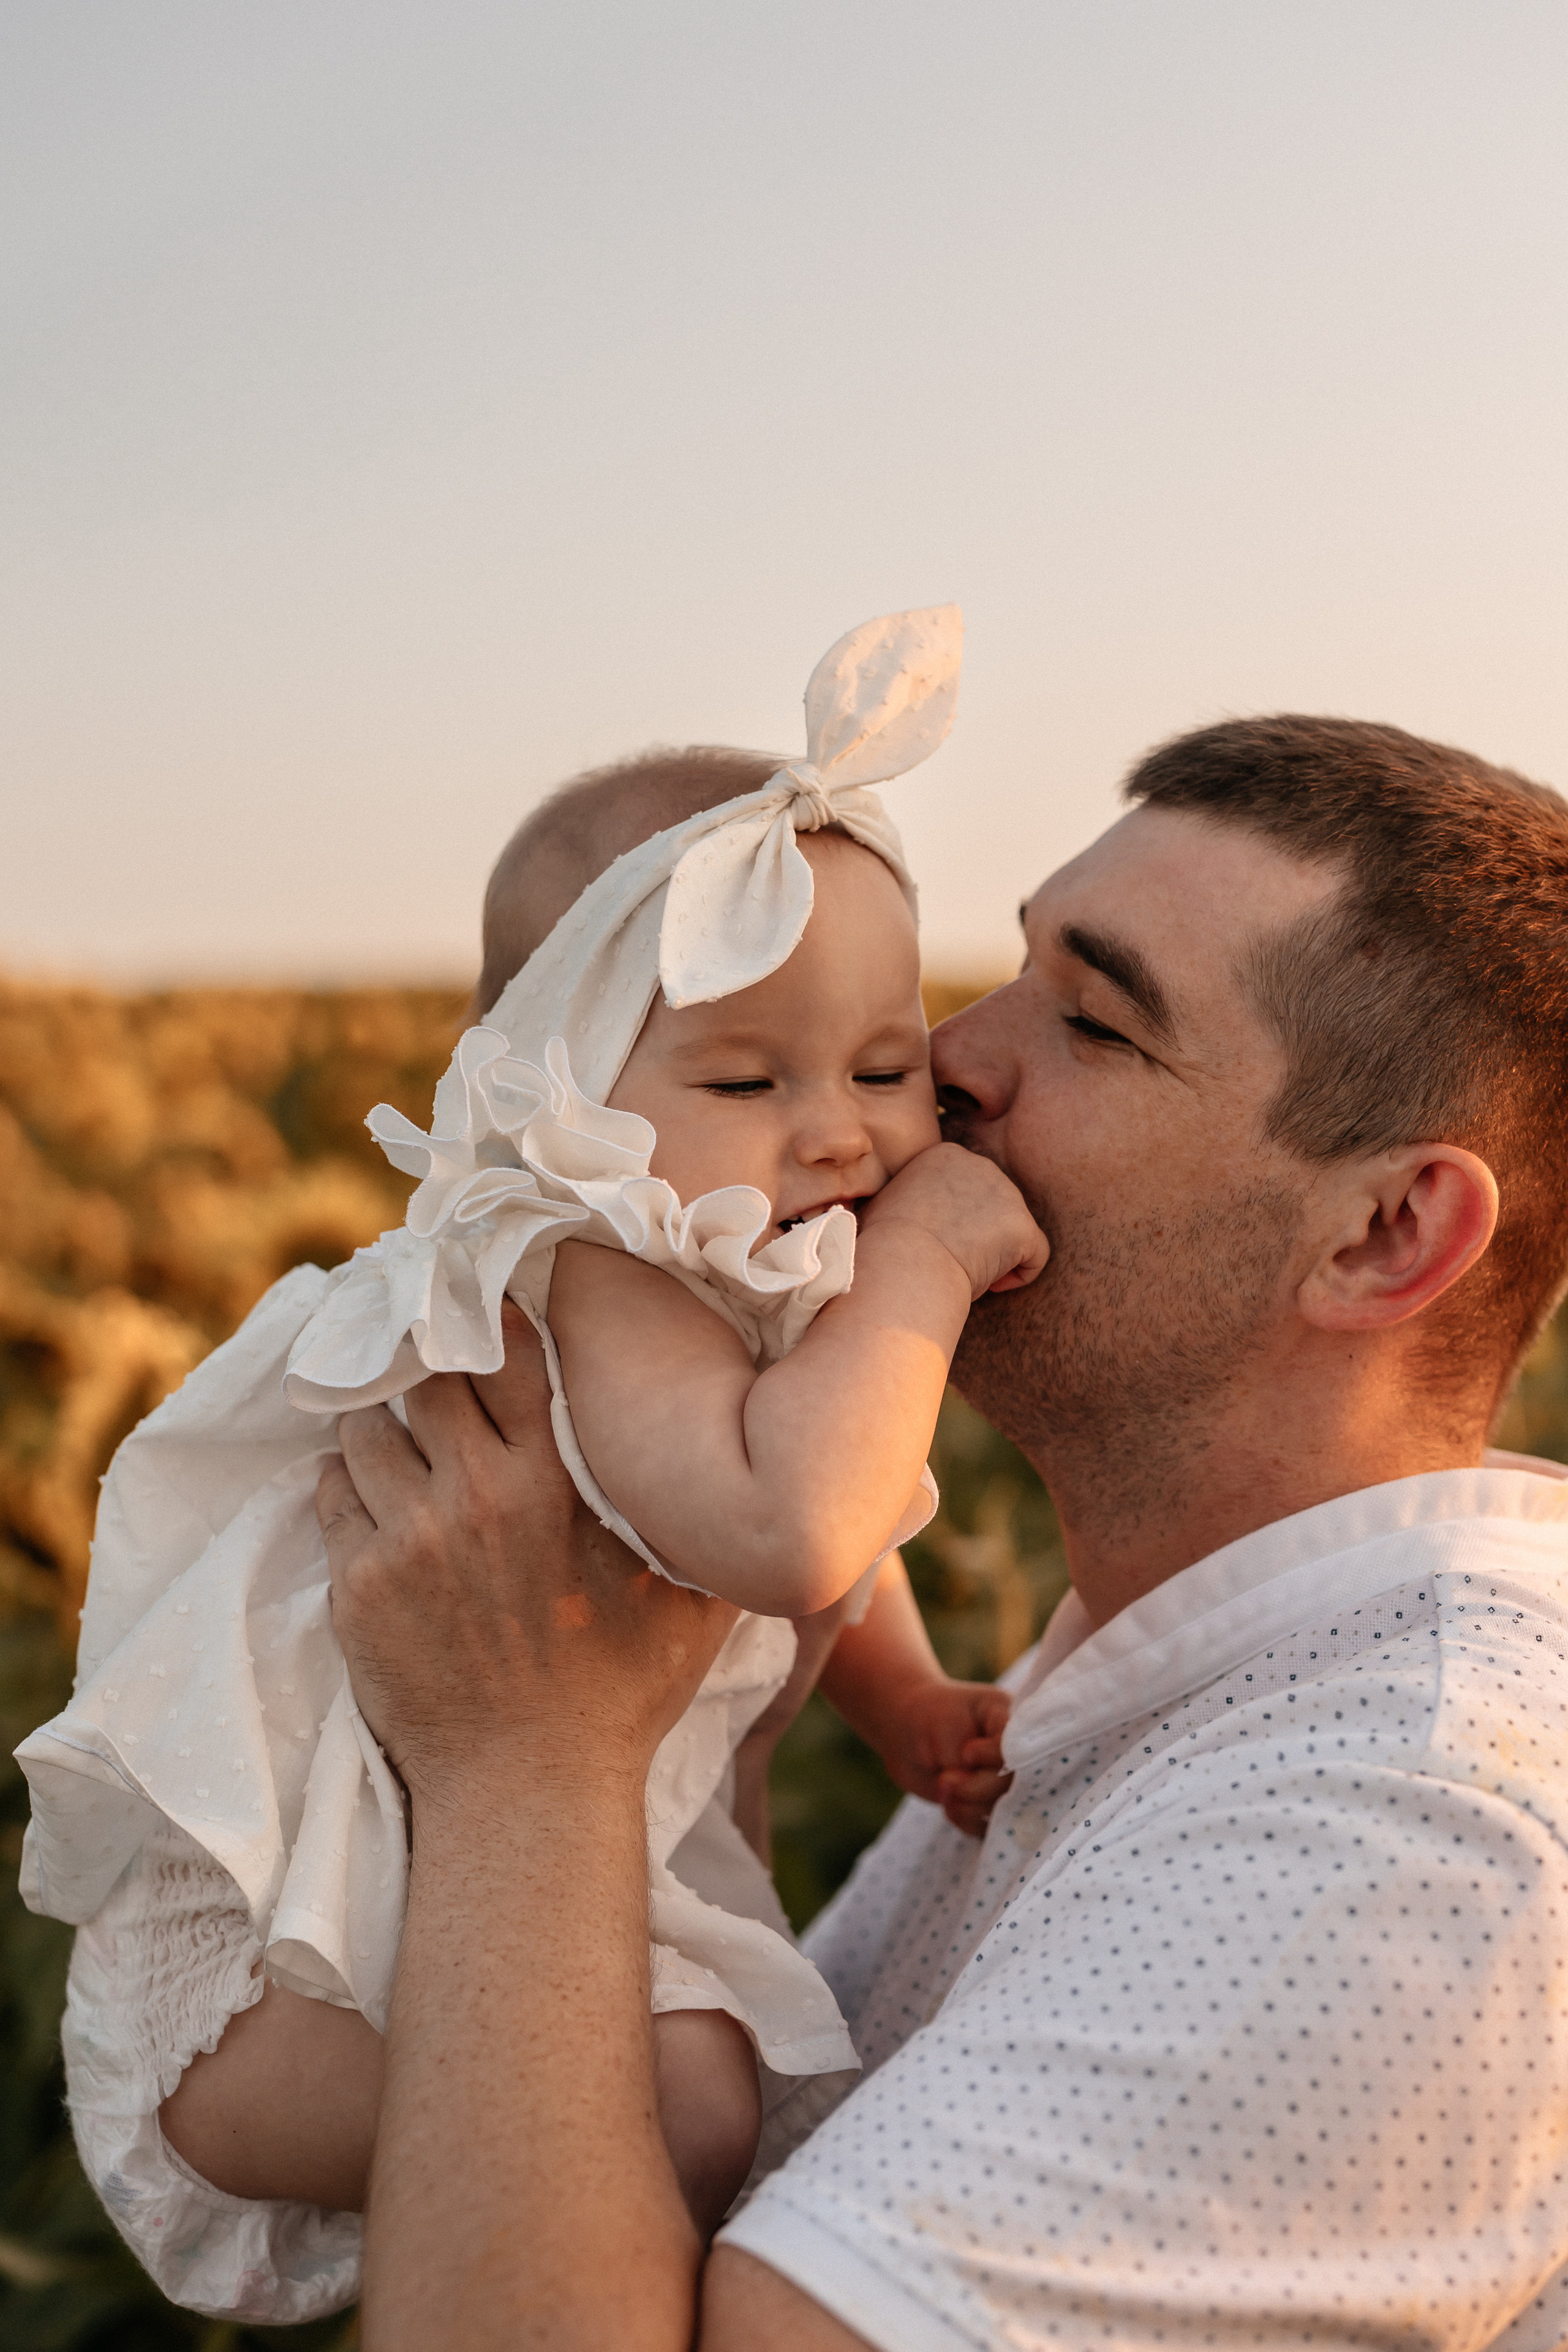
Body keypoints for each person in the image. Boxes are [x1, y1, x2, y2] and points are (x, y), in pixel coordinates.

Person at [317, 713, 1568, 2349]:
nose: (949, 1061)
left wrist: (523, 1765)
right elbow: (669, 2201)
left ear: (1384, 1233)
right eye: (1006, 972)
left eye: (1097, 1026)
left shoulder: (1406, 1827)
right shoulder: (1154, 1678)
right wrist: (704, 1722)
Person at [16, 608, 1043, 2319]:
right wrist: (929, 1263)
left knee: (722, 2103)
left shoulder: (757, 1293)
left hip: (487, 1905)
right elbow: (781, 1523)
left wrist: (912, 1701)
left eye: (886, 1065)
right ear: (556, 1090)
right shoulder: (593, 1270)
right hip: (293, 1967)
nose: (841, 1131)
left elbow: (833, 1556)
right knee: (709, 2105)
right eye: (742, 1073)